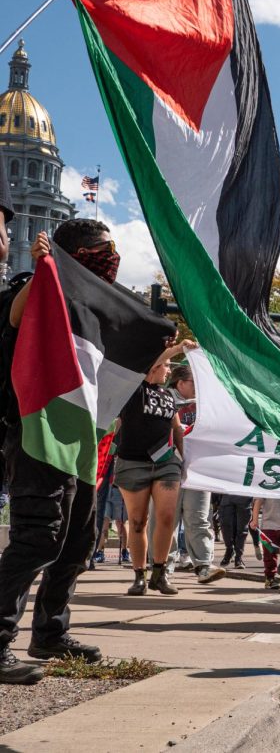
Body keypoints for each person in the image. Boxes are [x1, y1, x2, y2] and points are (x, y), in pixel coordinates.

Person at [0, 221, 173, 684]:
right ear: (72, 253)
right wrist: (42, 271)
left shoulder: (96, 306)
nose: (110, 259)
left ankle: (50, 633)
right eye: (100, 251)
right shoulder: (35, 283)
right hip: (37, 430)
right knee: (38, 537)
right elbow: (15, 321)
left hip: (79, 440)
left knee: (78, 541)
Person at [115, 338, 197, 596]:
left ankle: (160, 573)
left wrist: (183, 461)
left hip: (166, 464)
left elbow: (177, 430)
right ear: (153, 368)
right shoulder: (132, 389)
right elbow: (152, 360)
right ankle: (139, 575)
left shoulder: (168, 396)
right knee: (138, 521)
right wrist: (177, 348)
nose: (169, 370)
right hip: (133, 463)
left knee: (166, 517)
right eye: (166, 366)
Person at [167, 365, 224, 584]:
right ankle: (163, 566)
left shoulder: (206, 404)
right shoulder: (165, 400)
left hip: (199, 468)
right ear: (180, 382)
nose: (197, 387)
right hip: (170, 467)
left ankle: (203, 564)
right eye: (193, 382)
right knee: (166, 519)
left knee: (199, 517)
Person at [251, 496, 280, 590]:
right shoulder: (265, 484)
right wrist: (254, 520)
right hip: (267, 526)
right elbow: (258, 502)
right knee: (269, 553)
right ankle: (270, 578)